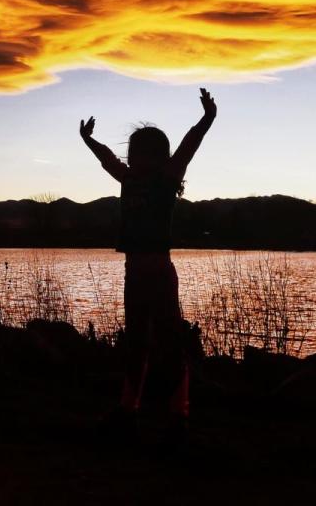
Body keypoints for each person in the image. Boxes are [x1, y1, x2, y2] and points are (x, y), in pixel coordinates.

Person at [80, 88, 217, 442]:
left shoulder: (167, 179)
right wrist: (88, 140)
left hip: (159, 272)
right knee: (136, 343)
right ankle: (129, 410)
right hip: (134, 273)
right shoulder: (128, 179)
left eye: (143, 152)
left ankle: (178, 415)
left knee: (170, 344)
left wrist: (207, 118)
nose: (136, 157)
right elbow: (107, 160)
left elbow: (189, 145)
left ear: (158, 156)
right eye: (134, 151)